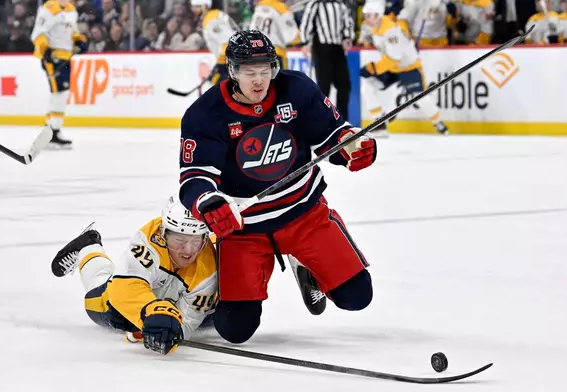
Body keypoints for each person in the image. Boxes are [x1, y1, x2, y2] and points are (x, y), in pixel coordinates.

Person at [179, 30, 377, 345]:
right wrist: (209, 202)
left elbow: (332, 134)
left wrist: (351, 147)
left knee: (357, 296)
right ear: (232, 71)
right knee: (235, 329)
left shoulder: (296, 89)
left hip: (305, 216)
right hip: (246, 231)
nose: (259, 81)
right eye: (249, 73)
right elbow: (194, 178)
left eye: (265, 71)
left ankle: (307, 265)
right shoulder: (206, 113)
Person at [50, 195, 218, 355]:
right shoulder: (149, 241)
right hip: (134, 298)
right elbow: (124, 287)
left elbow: (187, 322)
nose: (188, 251)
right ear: (163, 233)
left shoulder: (208, 266)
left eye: (196, 241)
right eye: (180, 240)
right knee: (100, 302)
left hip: (164, 299)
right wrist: (150, 314)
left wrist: (167, 332)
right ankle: (87, 247)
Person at [360, 1, 449, 137]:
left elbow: (395, 57)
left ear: (377, 15)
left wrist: (374, 68)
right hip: (393, 69)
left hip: (409, 67)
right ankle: (379, 123)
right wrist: (373, 69)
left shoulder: (391, 30)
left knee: (420, 98)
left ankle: (439, 124)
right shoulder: (376, 27)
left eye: (368, 15)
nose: (365, 19)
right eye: (365, 15)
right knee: (367, 86)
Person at [30, 0, 88, 149]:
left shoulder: (71, 10)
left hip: (66, 57)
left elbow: (72, 31)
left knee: (60, 94)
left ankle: (50, 130)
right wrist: (45, 50)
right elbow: (38, 33)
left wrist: (79, 41)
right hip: (53, 57)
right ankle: (52, 132)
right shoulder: (48, 9)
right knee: (59, 94)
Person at [299, 0, 354, 118]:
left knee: (344, 85)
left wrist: (347, 37)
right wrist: (305, 42)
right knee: (324, 86)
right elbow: (306, 23)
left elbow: (347, 22)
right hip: (321, 48)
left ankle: (343, 120)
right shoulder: (315, 4)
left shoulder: (340, 4)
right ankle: (322, 121)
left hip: (338, 48)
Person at [192, 0, 238, 85]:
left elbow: (229, 42)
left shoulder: (211, 20)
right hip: (233, 61)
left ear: (205, 6)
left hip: (233, 63)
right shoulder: (215, 15)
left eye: (197, 7)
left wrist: (221, 65)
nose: (194, 9)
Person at [250, 0, 300, 69]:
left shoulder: (259, 6)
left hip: (256, 52)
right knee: (279, 79)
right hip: (275, 52)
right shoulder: (281, 8)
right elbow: (292, 36)